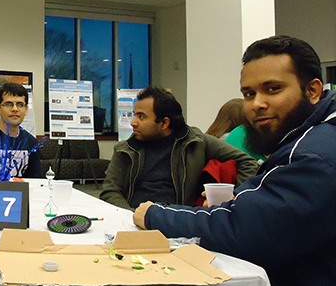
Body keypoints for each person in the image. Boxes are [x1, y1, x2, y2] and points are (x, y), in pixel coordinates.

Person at [134, 36, 336, 286]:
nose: (257, 104)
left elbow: (244, 229)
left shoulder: (312, 155)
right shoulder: (305, 141)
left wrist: (156, 214)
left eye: (273, 89)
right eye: (249, 93)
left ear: (312, 90)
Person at [100, 87, 258, 210]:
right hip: (135, 219)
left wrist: (236, 197)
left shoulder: (196, 142)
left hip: (179, 220)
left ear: (164, 123)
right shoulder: (125, 150)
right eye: (134, 115)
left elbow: (247, 162)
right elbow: (110, 191)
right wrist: (130, 216)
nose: (133, 122)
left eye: (141, 117)